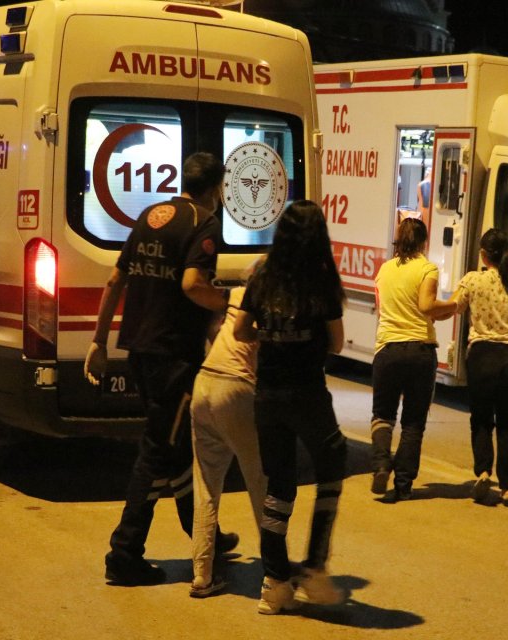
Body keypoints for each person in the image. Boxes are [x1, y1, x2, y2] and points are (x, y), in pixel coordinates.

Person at [83, 151, 236, 586]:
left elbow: (116, 279)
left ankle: (205, 535)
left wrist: (98, 341)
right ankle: (124, 553)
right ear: (216, 188)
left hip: (139, 349)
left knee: (177, 446)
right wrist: (230, 302)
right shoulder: (204, 222)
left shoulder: (151, 215)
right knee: (157, 450)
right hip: (174, 357)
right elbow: (192, 284)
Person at [234, 200, 349, 615]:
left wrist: (270, 334)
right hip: (307, 393)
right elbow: (337, 343)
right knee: (332, 462)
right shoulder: (320, 281)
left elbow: (240, 329)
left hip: (268, 395)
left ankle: (274, 583)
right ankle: (315, 565)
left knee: (278, 488)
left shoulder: (262, 276)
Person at [188, 273, 267, 598]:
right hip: (235, 387)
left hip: (204, 382)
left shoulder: (235, 295)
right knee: (260, 483)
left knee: (206, 486)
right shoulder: (271, 303)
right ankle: (275, 574)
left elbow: (214, 329)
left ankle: (202, 576)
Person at [448, 228, 508, 506]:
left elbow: (453, 307)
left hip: (482, 357)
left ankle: (484, 472)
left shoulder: (472, 281)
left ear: (483, 255)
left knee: (481, 419)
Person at [370, 218, 456, 502]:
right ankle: (403, 485)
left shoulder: (384, 270)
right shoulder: (427, 268)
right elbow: (427, 306)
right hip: (419, 351)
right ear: (423, 242)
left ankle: (381, 465)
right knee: (413, 422)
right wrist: (454, 304)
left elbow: (381, 309)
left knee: (382, 415)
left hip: (388, 349)